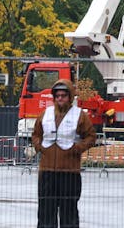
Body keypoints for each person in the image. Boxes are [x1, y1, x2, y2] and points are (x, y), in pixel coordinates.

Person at [30, 79, 97, 228]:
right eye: (57, 95)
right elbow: (36, 134)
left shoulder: (80, 115)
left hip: (70, 172)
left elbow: (91, 136)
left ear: (70, 97)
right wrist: (38, 146)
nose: (60, 98)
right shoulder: (45, 114)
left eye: (63, 95)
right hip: (47, 171)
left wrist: (78, 148)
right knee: (46, 210)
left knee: (69, 211)